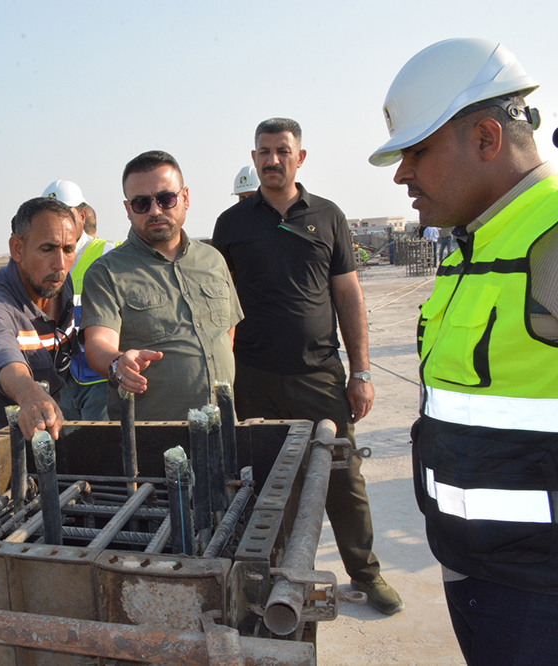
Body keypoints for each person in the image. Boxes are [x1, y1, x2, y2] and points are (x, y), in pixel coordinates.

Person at [371, 38, 558, 664]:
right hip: (474, 565)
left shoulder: (551, 239)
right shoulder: (473, 243)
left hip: (541, 589)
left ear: (485, 138)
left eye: (417, 152)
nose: (402, 174)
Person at [212, 118, 402, 615]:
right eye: (263, 152)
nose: (272, 160)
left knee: (343, 479)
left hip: (319, 375)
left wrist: (359, 372)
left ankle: (367, 573)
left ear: (300, 157)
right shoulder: (232, 225)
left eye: (281, 150)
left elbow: (347, 295)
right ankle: (266, 578)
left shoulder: (328, 216)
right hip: (252, 376)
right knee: (263, 484)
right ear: (253, 159)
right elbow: (221, 303)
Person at [81, 150, 242, 420]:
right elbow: (98, 343)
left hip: (223, 427)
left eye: (166, 199)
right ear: (127, 209)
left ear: (185, 198)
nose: (155, 210)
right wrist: (118, 364)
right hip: (153, 438)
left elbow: (228, 335)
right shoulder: (106, 272)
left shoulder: (213, 260)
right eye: (141, 203)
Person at [0, 197, 77, 441]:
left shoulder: (61, 287)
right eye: (47, 249)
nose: (60, 264)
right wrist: (29, 393)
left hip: (44, 431)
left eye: (68, 249)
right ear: (17, 248)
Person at [42, 180, 117, 421]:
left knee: (101, 449)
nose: (56, 222)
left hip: (99, 379)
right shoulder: (41, 262)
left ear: (82, 215)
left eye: (64, 213)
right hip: (60, 379)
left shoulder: (109, 253)